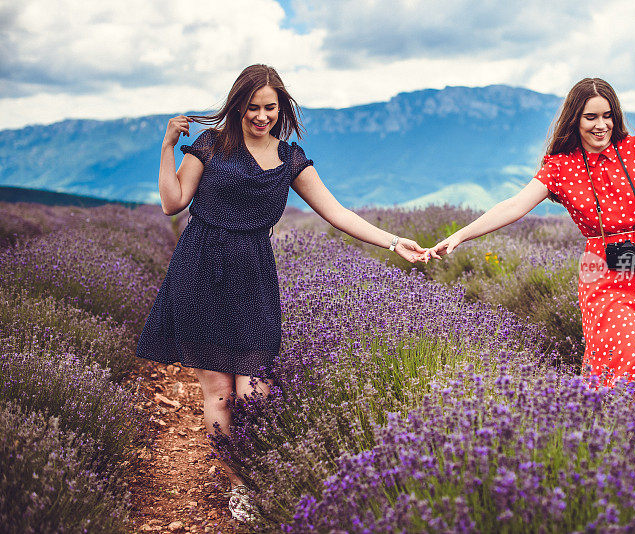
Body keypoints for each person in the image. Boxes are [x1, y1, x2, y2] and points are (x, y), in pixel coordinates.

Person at [135, 64, 427, 521]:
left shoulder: (291, 161)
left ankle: (251, 472)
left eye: (269, 107)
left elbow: (338, 212)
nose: (261, 116)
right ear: (237, 106)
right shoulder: (211, 145)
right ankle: (232, 484)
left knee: (256, 390)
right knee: (219, 391)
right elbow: (173, 202)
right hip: (200, 270)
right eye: (252, 107)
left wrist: (394, 242)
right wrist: (168, 147)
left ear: (281, 108)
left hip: (253, 277)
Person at [428, 77, 635, 388]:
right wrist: (460, 235)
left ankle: (620, 429)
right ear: (576, 120)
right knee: (631, 355)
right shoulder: (561, 167)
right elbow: (515, 205)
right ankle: (608, 421)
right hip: (604, 274)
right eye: (591, 117)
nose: (601, 125)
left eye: (608, 115)